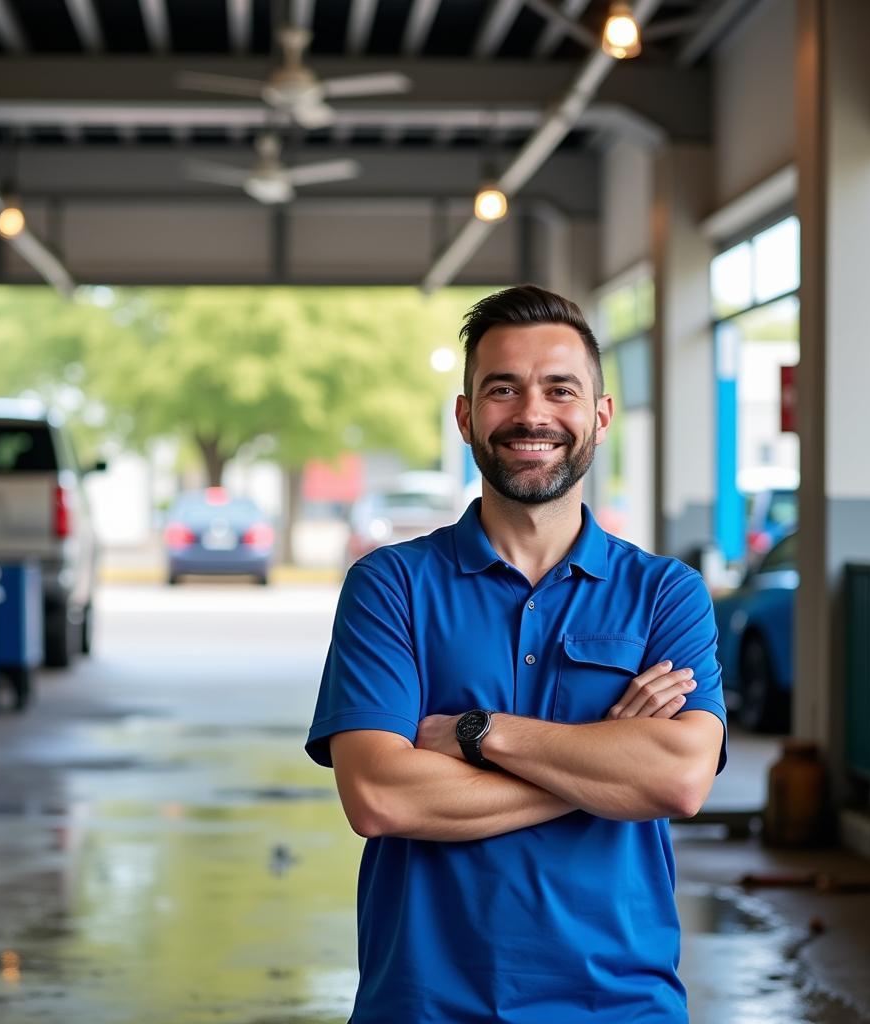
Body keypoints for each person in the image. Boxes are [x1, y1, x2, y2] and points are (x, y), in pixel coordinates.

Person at [305, 284, 727, 1023]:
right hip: (425, 1005)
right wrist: (605, 766)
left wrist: (478, 734)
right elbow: (379, 796)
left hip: (622, 1006)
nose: (532, 413)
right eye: (503, 389)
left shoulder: (665, 593)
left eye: (560, 389)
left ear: (599, 417)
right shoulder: (390, 586)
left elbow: (681, 780)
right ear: (466, 417)